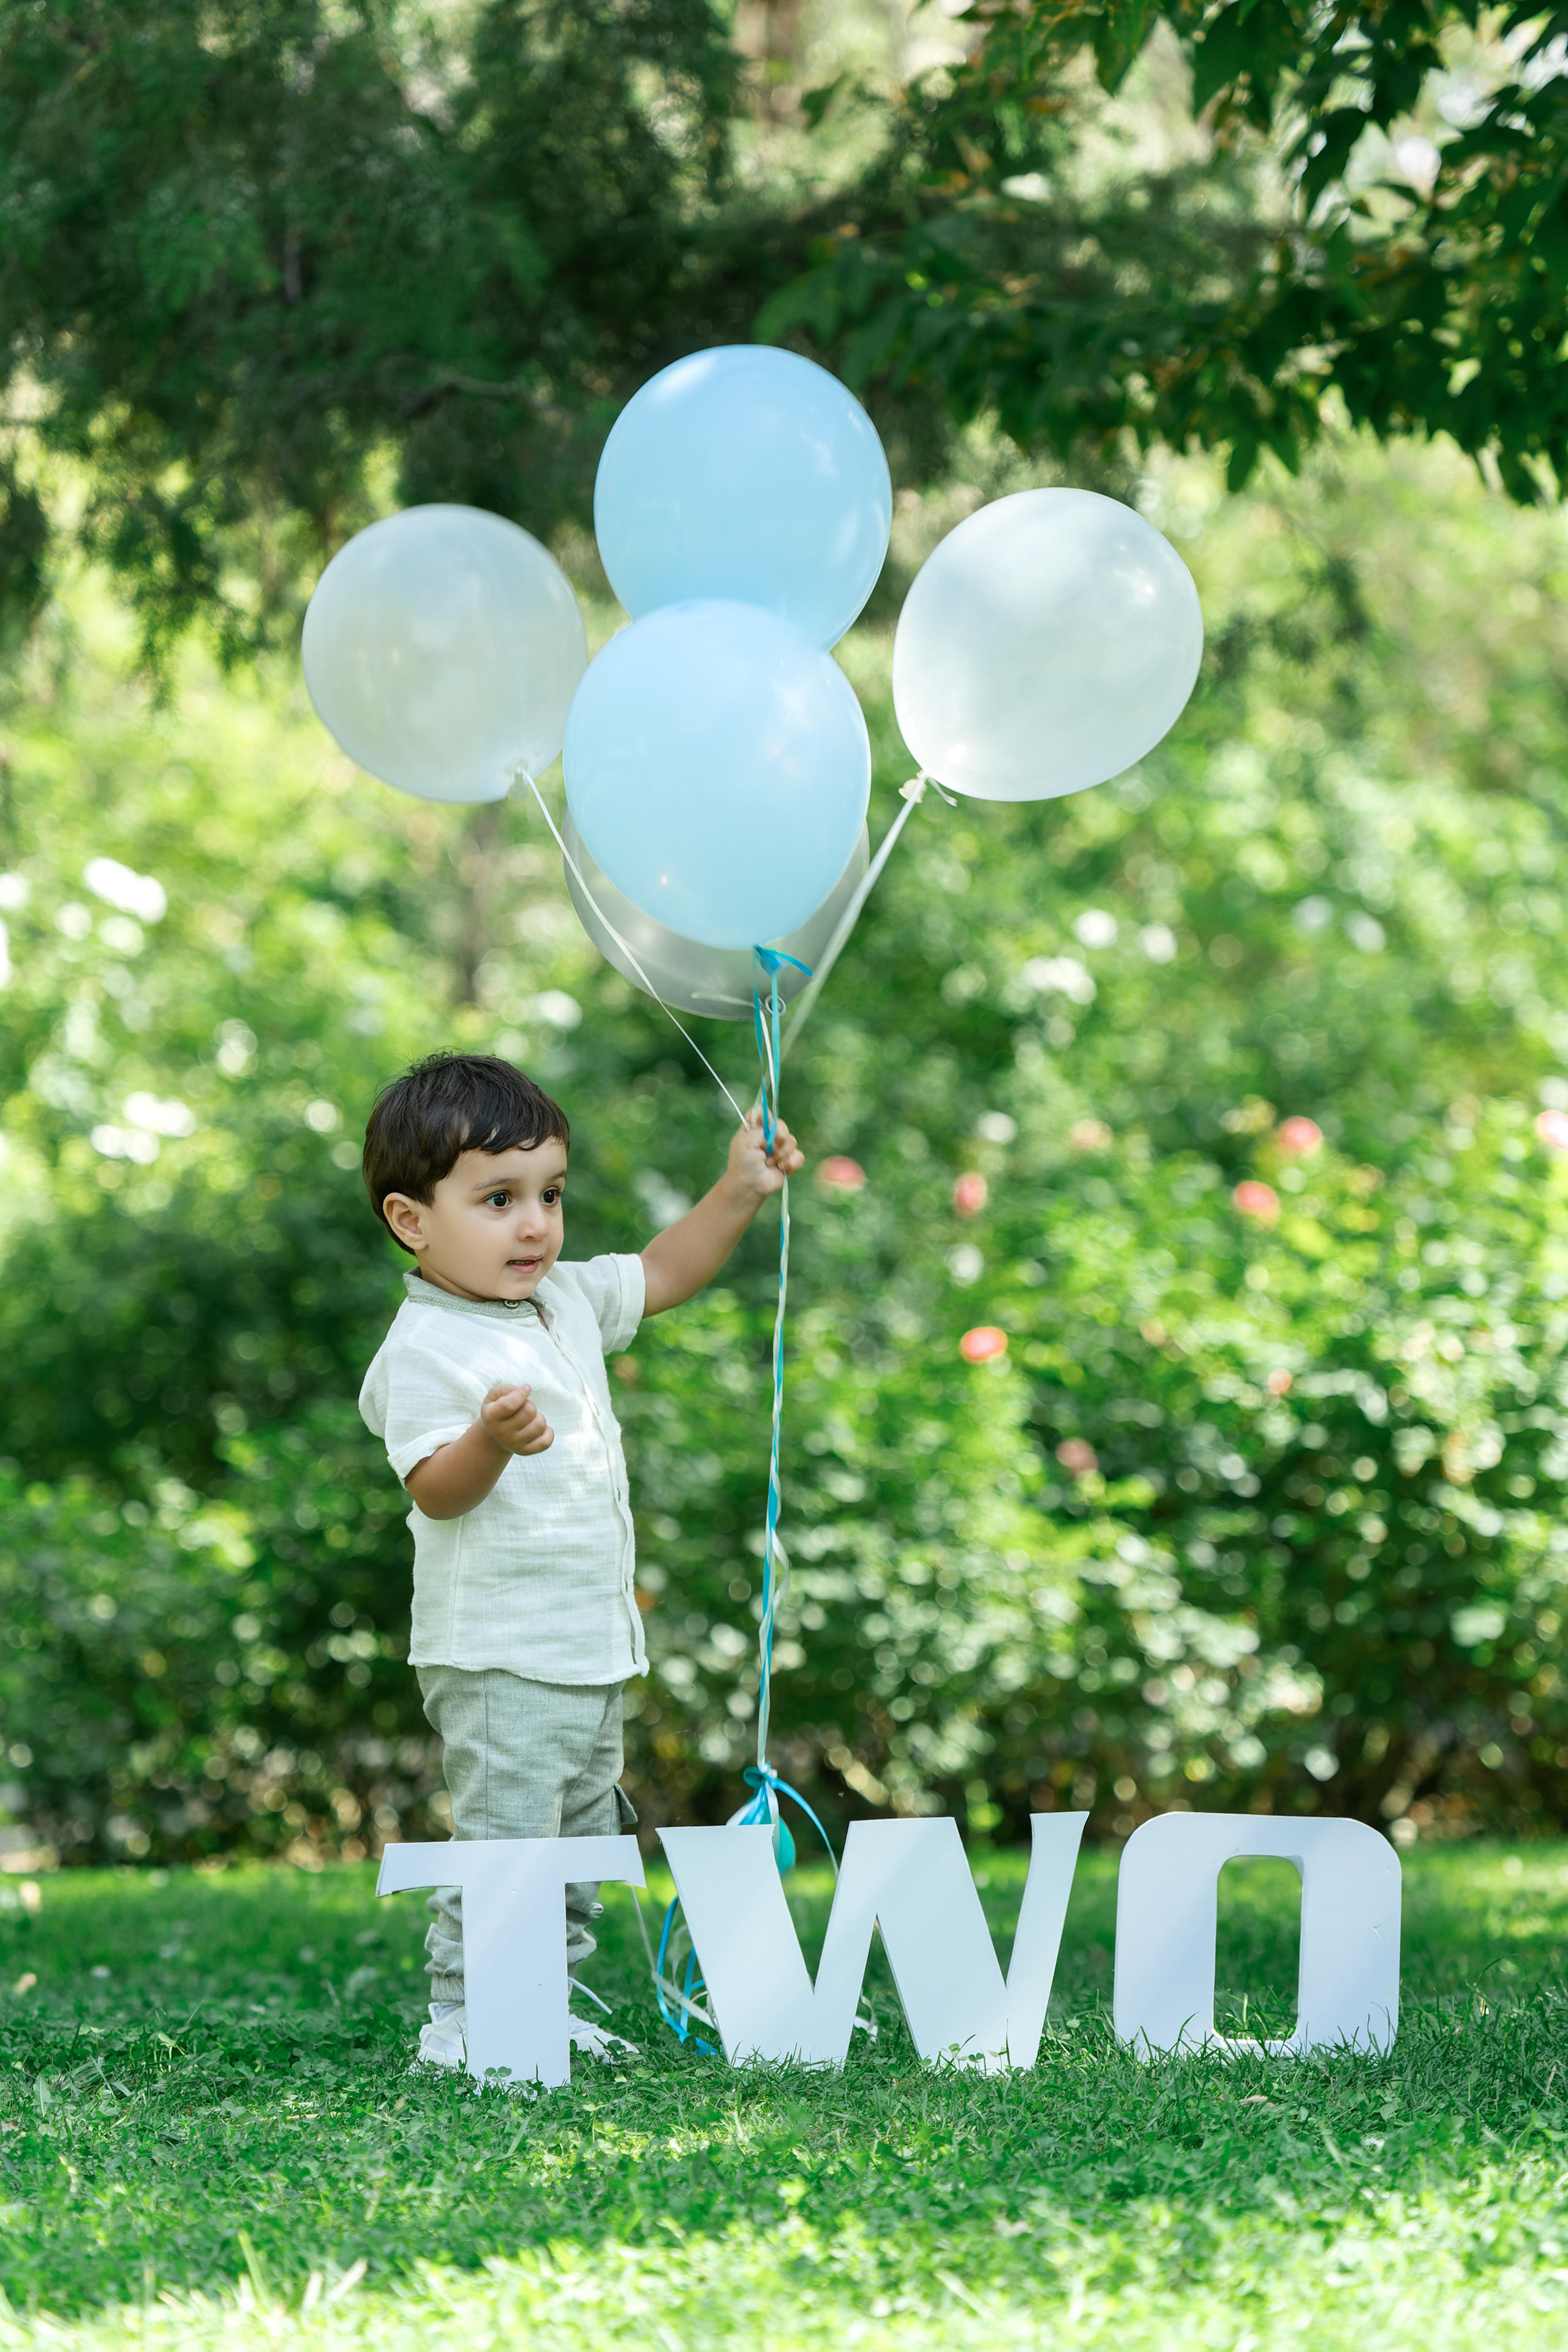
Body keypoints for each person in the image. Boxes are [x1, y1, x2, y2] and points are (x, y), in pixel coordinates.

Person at [357, 1051, 801, 2069]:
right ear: (412, 1220)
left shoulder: (559, 1301)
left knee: (576, 1845)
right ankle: (469, 2021)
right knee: (510, 1844)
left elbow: (665, 1271)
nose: (535, 1225)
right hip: (498, 1652)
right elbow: (435, 1487)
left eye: (549, 1195)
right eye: (499, 1199)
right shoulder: (426, 1348)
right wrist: (491, 1444)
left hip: (589, 1647)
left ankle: (539, 2002)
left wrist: (739, 1187)